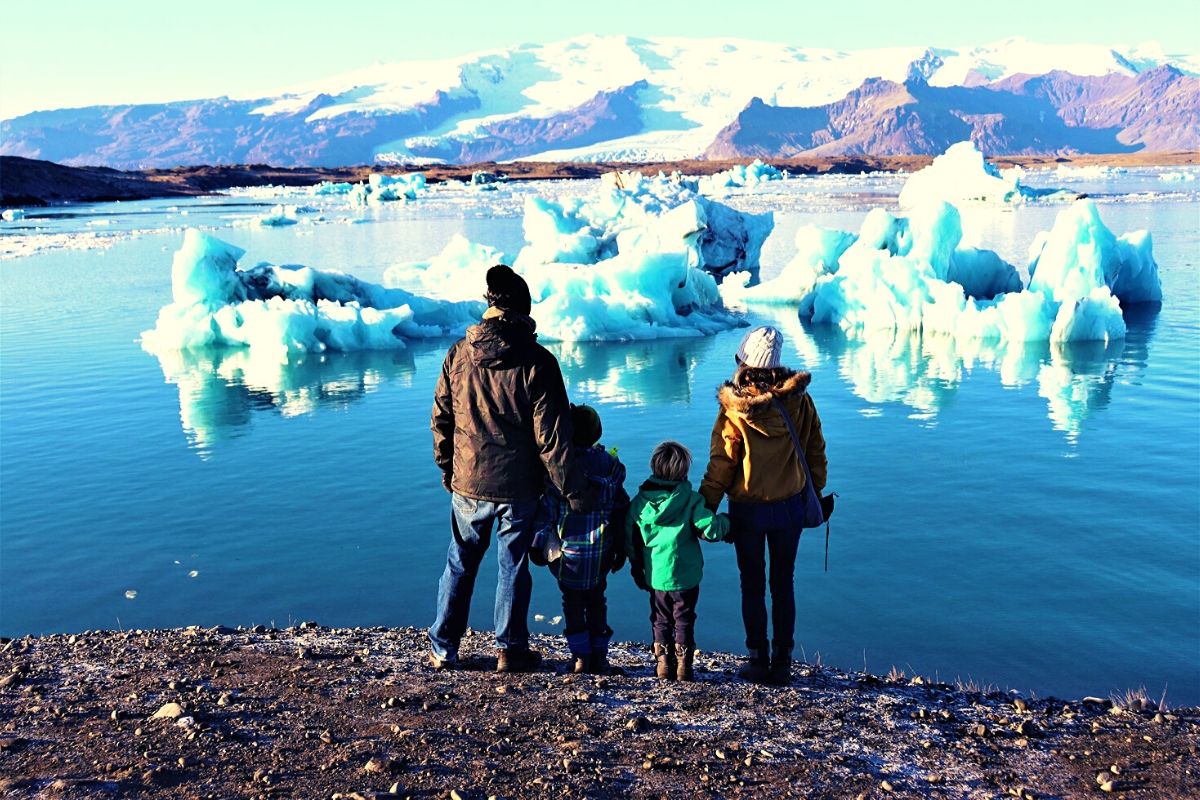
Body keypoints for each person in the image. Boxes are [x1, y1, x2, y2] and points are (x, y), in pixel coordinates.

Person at [429, 264, 586, 674]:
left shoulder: (458, 354)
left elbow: (441, 417)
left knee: (460, 561)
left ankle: (444, 646)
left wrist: (447, 468)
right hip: (518, 487)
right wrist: (573, 491)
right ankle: (509, 648)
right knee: (512, 564)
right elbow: (552, 438)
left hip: (466, 481)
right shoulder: (537, 362)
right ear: (522, 308)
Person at [699, 326, 828, 685]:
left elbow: (722, 462)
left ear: (744, 362)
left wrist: (704, 507)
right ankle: (783, 662)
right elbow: (815, 448)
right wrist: (813, 491)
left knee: (751, 584)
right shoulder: (799, 400)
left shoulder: (734, 409)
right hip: (789, 507)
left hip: (747, 511)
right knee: (783, 582)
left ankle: (757, 660)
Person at [532, 403, 630, 674]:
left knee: (573, 604)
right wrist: (622, 548)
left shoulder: (560, 470)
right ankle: (600, 657)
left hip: (568, 556)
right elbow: (621, 509)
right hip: (601, 554)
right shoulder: (611, 468)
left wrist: (538, 547)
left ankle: (580, 657)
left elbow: (546, 514)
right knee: (598, 601)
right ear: (597, 433)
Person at [626, 441, 730, 681]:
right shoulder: (692, 500)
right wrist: (728, 521)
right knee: (684, 619)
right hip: (686, 577)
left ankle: (663, 664)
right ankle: (684, 666)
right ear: (684, 471)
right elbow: (712, 530)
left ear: (654, 467)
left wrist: (635, 566)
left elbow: (630, 539)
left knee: (660, 619)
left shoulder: (639, 504)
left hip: (656, 577)